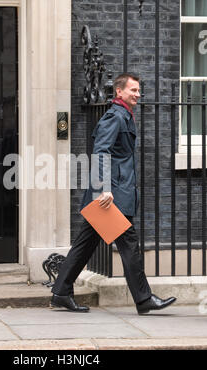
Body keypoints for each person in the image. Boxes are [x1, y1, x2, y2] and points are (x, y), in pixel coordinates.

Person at [51, 73, 177, 315]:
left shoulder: (123, 116)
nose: (138, 94)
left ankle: (61, 292)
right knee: (129, 244)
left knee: (85, 245)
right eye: (133, 90)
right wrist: (104, 188)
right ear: (119, 92)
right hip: (111, 197)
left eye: (139, 90)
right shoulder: (115, 116)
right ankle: (143, 298)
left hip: (115, 193)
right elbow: (101, 151)